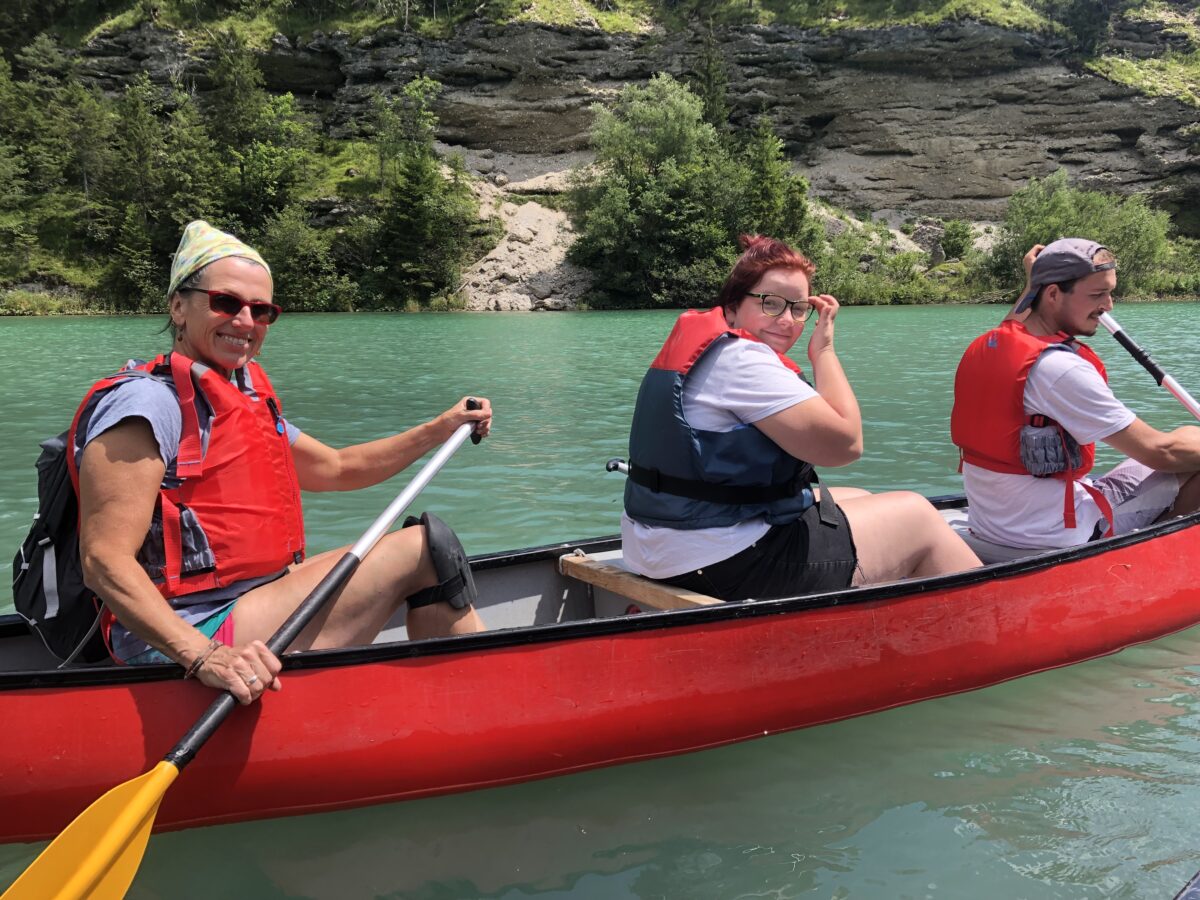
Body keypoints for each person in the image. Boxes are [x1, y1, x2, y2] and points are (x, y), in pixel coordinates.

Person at [74, 220, 492, 703]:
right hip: (179, 632)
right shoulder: (146, 406)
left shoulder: (243, 397)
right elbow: (102, 561)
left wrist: (440, 428)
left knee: (422, 546)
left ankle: (452, 701)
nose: (245, 322)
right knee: (424, 547)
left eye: (262, 310)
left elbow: (338, 468)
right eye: (225, 303)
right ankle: (470, 702)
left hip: (246, 600)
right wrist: (204, 656)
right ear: (178, 307)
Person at [620, 234, 981, 601]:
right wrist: (823, 351)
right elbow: (846, 445)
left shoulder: (715, 349)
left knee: (854, 497)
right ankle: (984, 621)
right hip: (717, 561)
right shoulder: (743, 360)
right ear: (731, 306)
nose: (787, 320)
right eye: (771, 303)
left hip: (658, 545)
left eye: (797, 308)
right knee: (916, 516)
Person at [951, 237, 1200, 558]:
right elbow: (1160, 453)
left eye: (1110, 292)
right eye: (1097, 294)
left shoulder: (992, 345)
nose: (1109, 306)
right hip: (1054, 534)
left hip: (996, 523)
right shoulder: (1061, 369)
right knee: (1186, 449)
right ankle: (1146, 558)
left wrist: (1033, 283)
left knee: (1190, 438)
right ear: (1053, 294)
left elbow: (1018, 320)